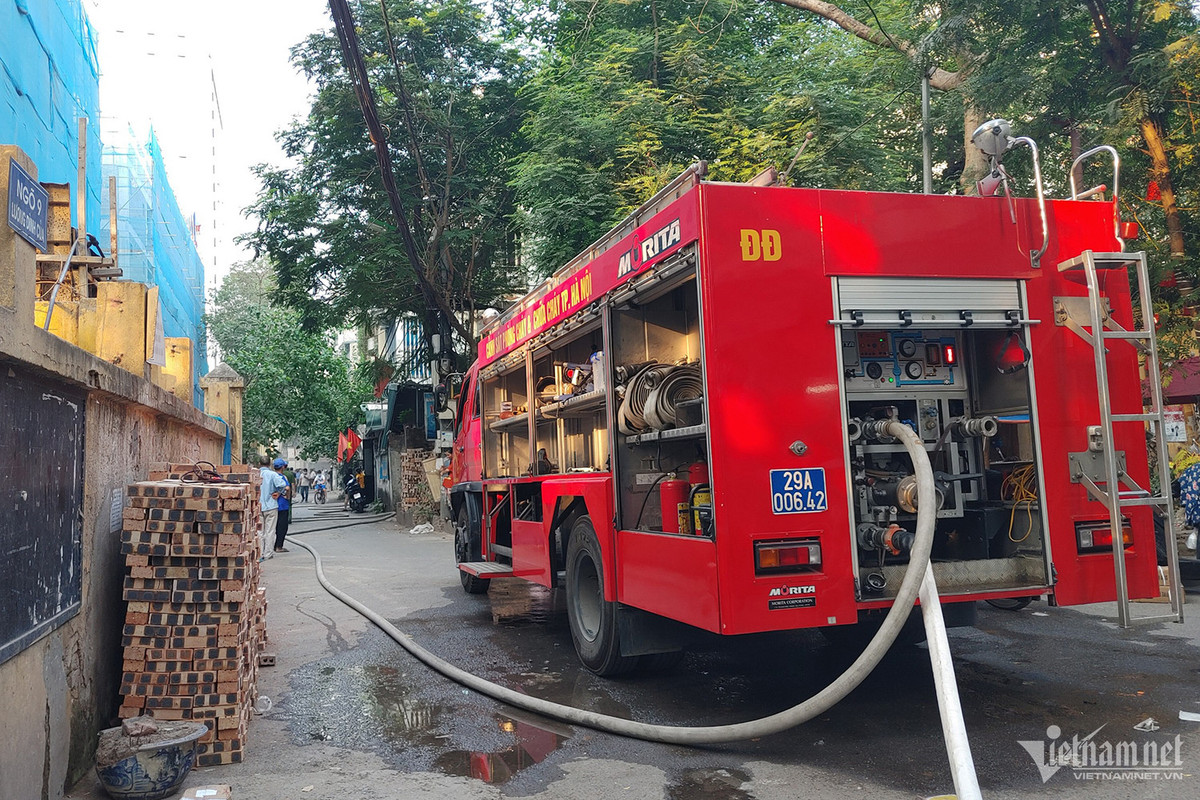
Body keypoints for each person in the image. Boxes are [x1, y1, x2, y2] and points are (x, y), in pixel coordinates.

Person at [258, 454, 287, 561]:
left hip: (257, 506)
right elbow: (282, 484)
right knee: (270, 531)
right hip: (271, 506)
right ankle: (268, 553)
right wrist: (278, 493)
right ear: (270, 464)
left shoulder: (254, 474)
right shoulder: (273, 475)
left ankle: (259, 553)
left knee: (259, 531)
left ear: (259, 463)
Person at [273, 458, 292, 553]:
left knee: (273, 527)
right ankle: (278, 546)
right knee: (282, 527)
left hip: (272, 505)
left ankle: (271, 546)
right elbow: (287, 488)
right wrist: (287, 497)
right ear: (283, 467)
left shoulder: (270, 476)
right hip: (282, 505)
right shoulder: (283, 477)